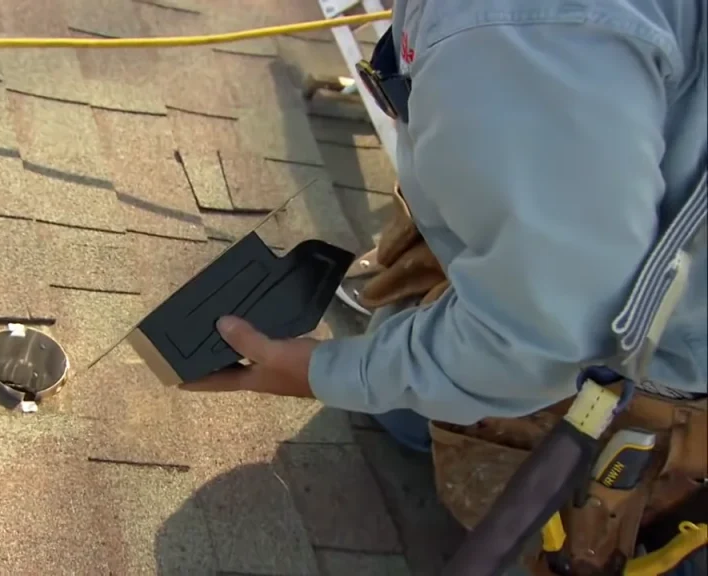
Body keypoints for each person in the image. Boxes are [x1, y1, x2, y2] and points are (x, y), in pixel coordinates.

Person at [182, 0, 706, 573]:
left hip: (647, 364)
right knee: (405, 397)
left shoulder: (517, 33)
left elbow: (547, 340)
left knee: (454, 438)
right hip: (621, 286)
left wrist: (321, 373)